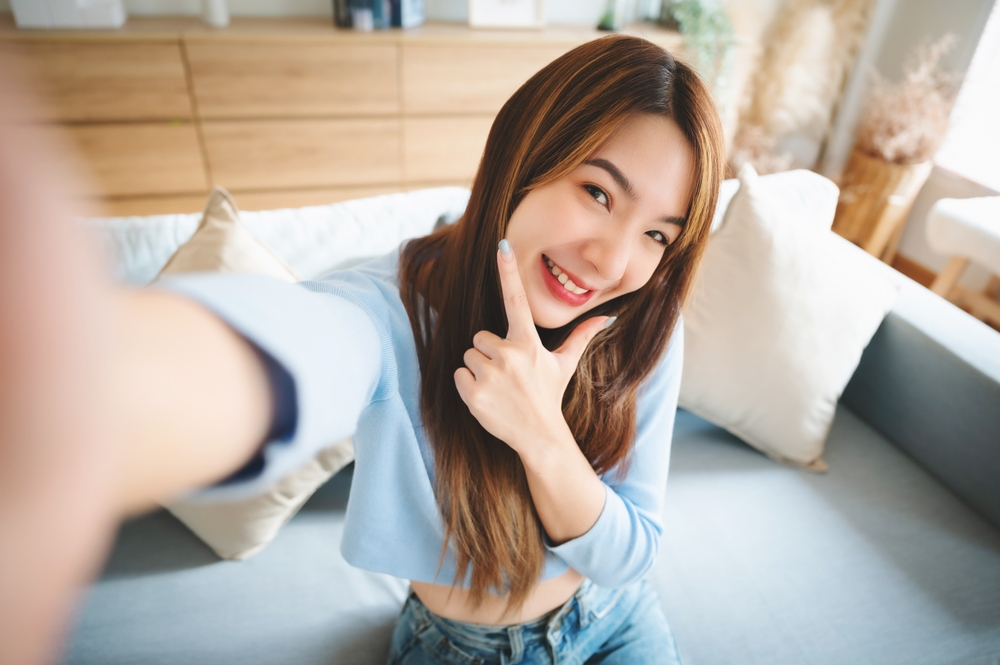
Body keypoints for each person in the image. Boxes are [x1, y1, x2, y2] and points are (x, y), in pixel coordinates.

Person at [0, 34, 723, 665]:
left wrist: (543, 437)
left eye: (658, 233)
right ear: (525, 156)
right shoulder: (390, 308)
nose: (612, 259)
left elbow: (631, 555)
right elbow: (301, 346)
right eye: (598, 193)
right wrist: (81, 385)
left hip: (611, 620)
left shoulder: (641, 322)